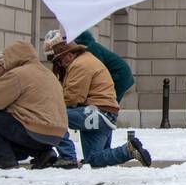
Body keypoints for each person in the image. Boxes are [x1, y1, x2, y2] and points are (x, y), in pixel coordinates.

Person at [44, 32, 152, 169]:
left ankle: (67, 157)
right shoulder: (86, 59)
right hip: (105, 114)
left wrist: (49, 104)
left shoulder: (79, 65)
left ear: (69, 55)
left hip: (96, 113)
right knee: (93, 159)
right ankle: (128, 150)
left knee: (53, 116)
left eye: (60, 60)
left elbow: (72, 98)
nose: (60, 64)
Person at [0, 41, 68, 169]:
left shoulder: (18, 74)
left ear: (14, 57)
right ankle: (43, 153)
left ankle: (6, 160)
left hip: (34, 130)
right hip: (55, 135)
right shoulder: (47, 73)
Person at [74, 29, 134, 102]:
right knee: (110, 101)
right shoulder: (93, 46)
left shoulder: (91, 49)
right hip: (122, 74)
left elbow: (96, 68)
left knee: (109, 101)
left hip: (119, 75)